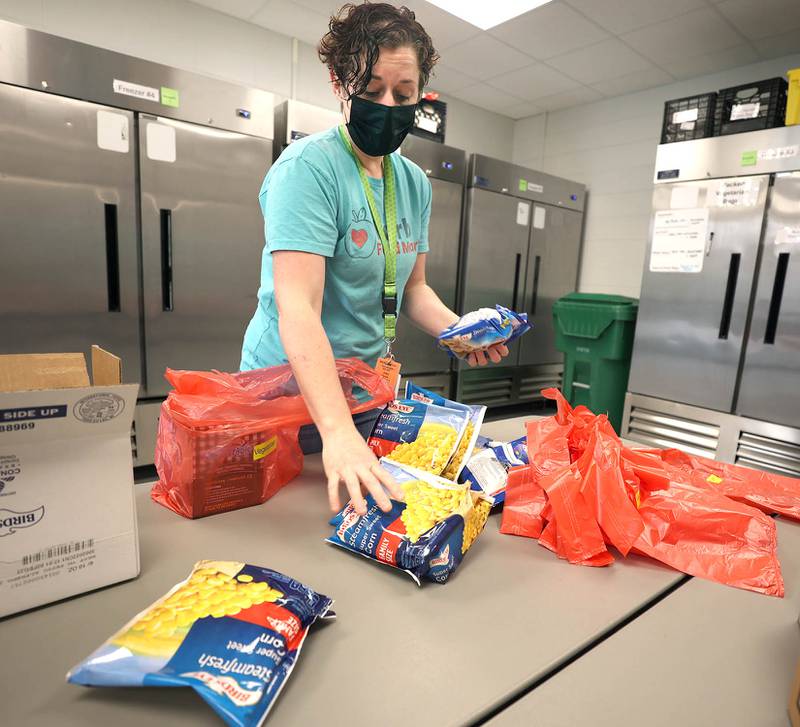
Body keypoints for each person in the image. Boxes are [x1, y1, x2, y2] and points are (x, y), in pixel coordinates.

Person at [241, 2, 508, 517]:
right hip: (289, 396)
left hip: (364, 390)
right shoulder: (307, 170)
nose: (388, 106)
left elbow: (412, 289)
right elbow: (298, 306)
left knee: (366, 520)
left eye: (403, 95)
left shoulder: (412, 183)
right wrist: (337, 432)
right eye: (370, 92)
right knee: (290, 524)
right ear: (340, 84)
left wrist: (459, 330)